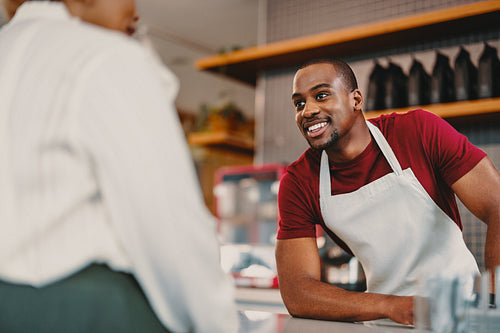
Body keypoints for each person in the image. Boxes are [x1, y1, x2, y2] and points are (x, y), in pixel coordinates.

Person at [0, 1, 238, 332]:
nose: (136, 11)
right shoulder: (105, 57)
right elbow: (170, 230)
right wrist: (221, 324)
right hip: (89, 312)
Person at [276, 58, 500, 326]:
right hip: (383, 320)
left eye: (321, 95)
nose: (308, 110)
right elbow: (297, 293)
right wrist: (390, 305)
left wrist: (493, 298)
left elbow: (496, 205)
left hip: (460, 313)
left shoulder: (418, 131)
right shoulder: (299, 181)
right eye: (299, 103)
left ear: (356, 100)